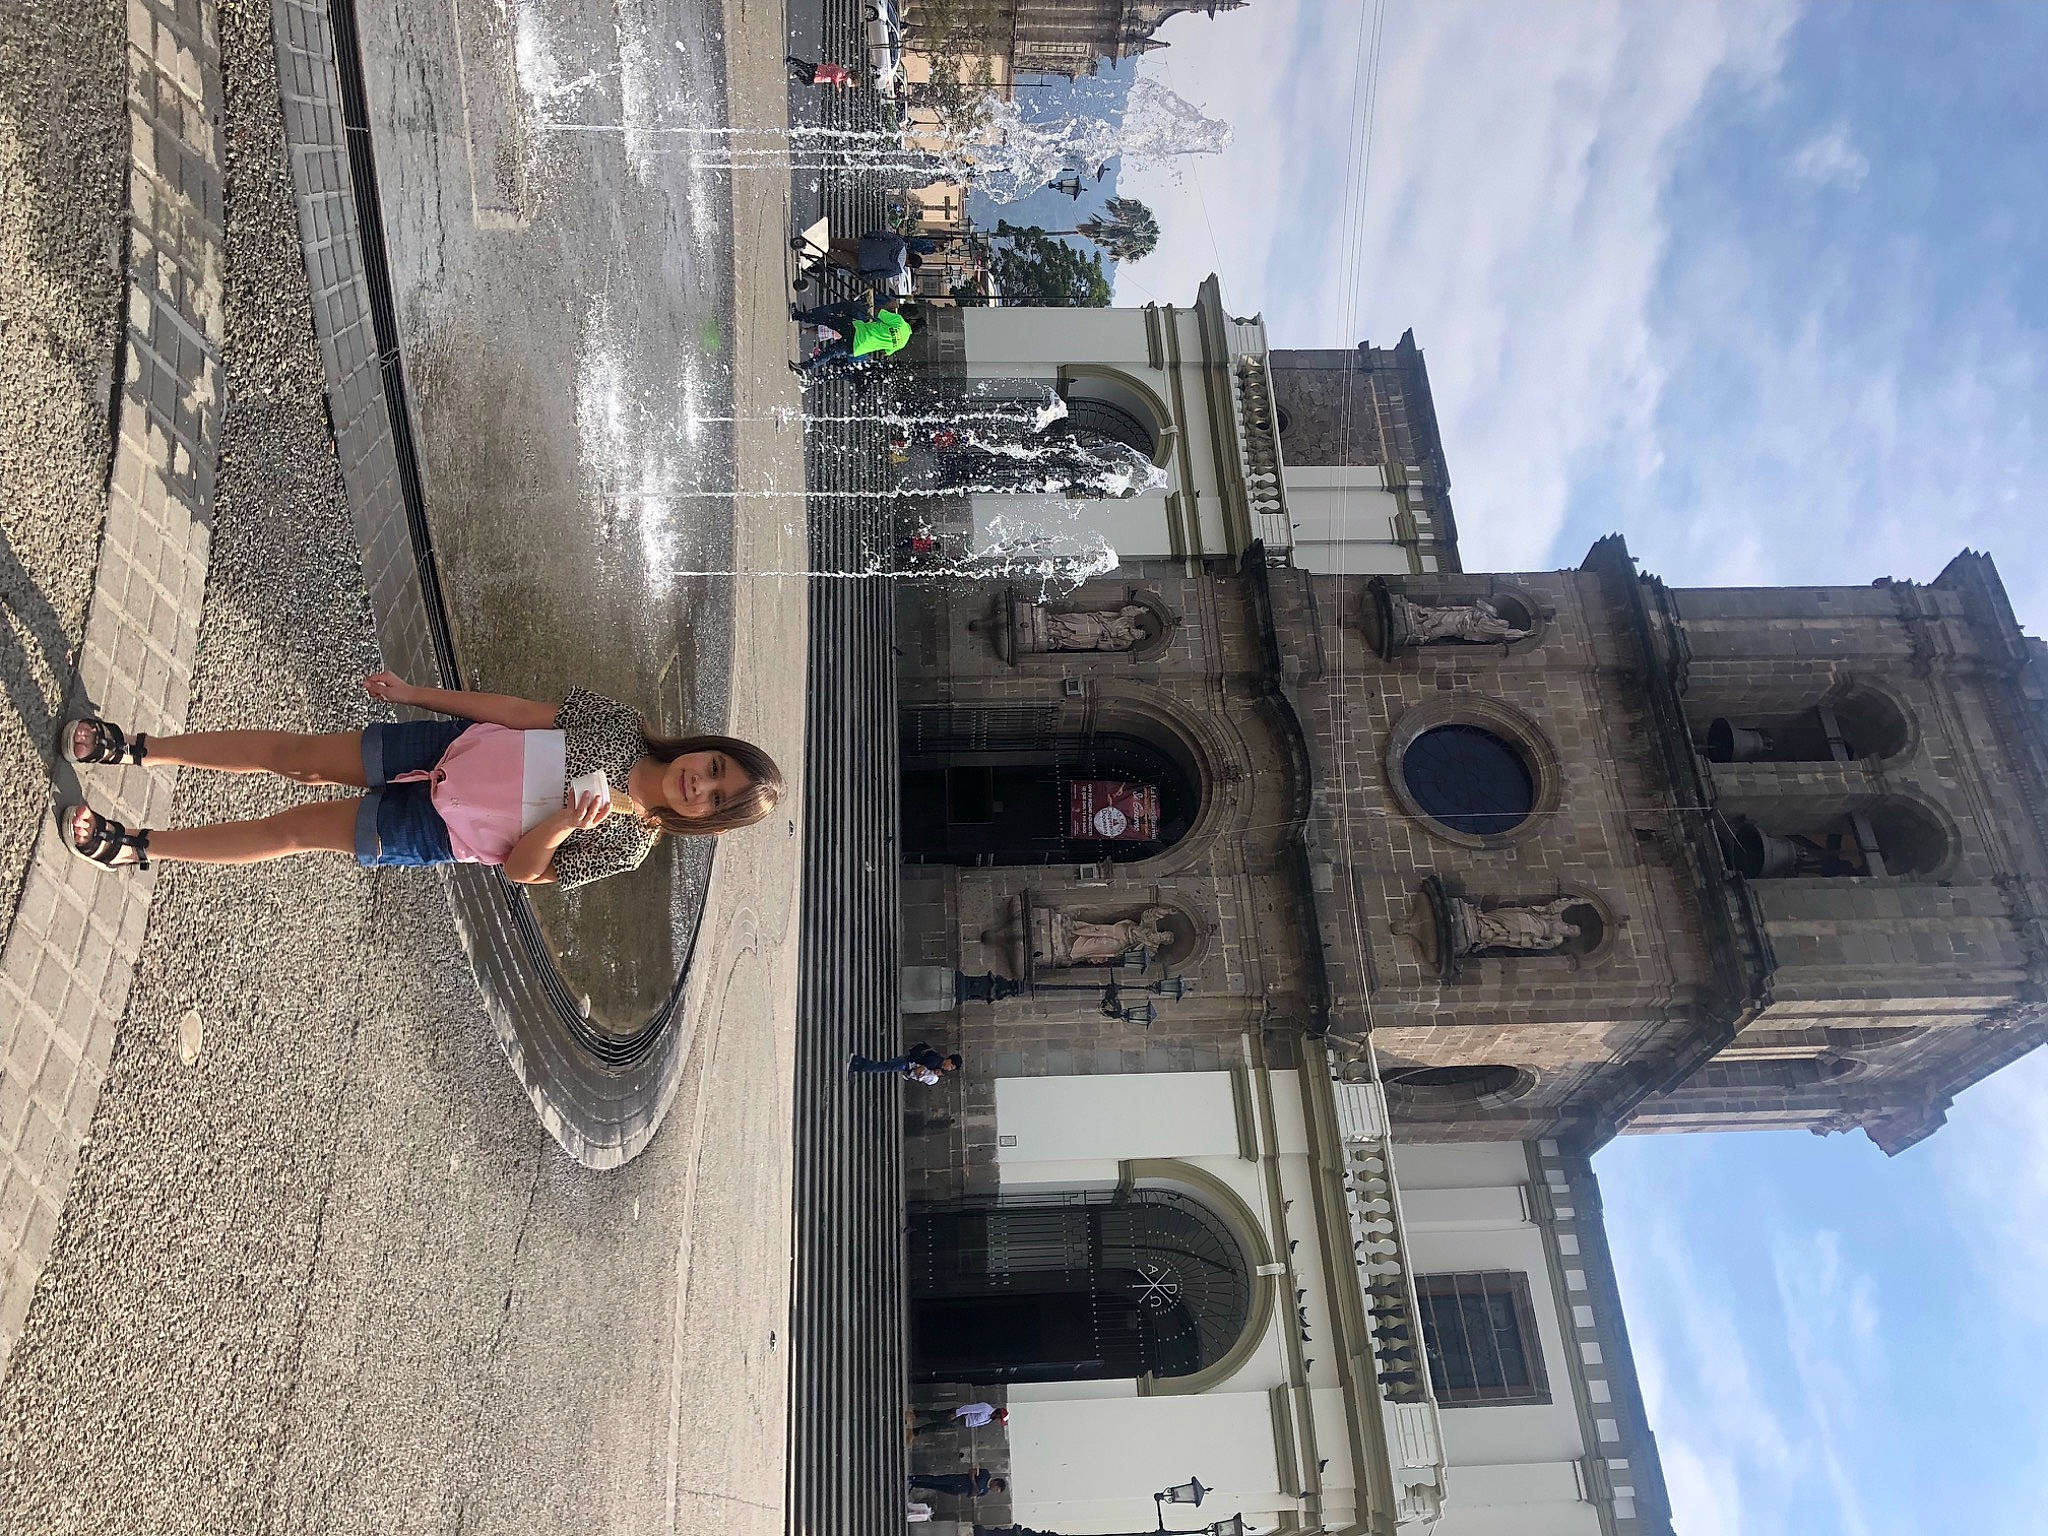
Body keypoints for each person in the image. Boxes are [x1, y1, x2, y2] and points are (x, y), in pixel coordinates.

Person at [56, 673, 784, 885]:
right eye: (715, 768)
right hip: (452, 744)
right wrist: (415, 695)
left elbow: (522, 874)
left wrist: (563, 821)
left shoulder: (627, 845)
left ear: (708, 819)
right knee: (296, 756)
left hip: (440, 829)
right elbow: (514, 708)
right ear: (706, 748)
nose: (701, 784)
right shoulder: (621, 725)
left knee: (293, 833)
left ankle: (135, 846)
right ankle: (135, 747)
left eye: (717, 799)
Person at [790, 296, 917, 376]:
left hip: (857, 330)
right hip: (859, 347)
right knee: (831, 352)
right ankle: (805, 367)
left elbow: (878, 313)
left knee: (828, 320)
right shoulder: (902, 343)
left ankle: (797, 315)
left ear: (910, 320)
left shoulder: (899, 321)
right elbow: (886, 352)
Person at [849, 1042, 960, 1084]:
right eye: (951, 1065)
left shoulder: (938, 1059)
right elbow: (919, 1069)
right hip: (906, 1063)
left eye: (952, 1068)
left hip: (906, 1061)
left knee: (882, 1065)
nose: (949, 1068)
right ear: (949, 1060)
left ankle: (857, 1062)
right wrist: (920, 1074)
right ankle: (855, 1064)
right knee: (881, 1067)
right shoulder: (936, 1061)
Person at [909, 1468, 1006, 1500]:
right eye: (996, 1489)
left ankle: (915, 1484)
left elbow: (970, 1496)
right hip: (957, 1480)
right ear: (996, 1483)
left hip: (957, 1490)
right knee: (936, 1480)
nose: (994, 1491)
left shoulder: (984, 1491)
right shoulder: (985, 1474)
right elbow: (971, 1471)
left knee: (935, 1486)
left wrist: (974, 1494)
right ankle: (915, 1478)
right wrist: (974, 1484)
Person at [912, 1402, 1005, 1434]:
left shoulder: (989, 1419)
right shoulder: (986, 1408)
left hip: (963, 1423)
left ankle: (916, 1432)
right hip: (960, 1417)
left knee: (938, 1427)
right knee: (936, 1416)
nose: (997, 1419)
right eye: (999, 1417)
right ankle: (915, 1414)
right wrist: (957, 1414)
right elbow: (969, 1408)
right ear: (998, 1413)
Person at [786, 55, 853, 88]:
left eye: (850, 85)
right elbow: (834, 78)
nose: (848, 84)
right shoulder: (841, 73)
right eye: (849, 82)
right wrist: (838, 87)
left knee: (808, 82)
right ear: (849, 75)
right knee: (803, 66)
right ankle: (791, 61)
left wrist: (829, 66)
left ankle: (798, 72)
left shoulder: (842, 76)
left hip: (818, 75)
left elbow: (833, 65)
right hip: (817, 70)